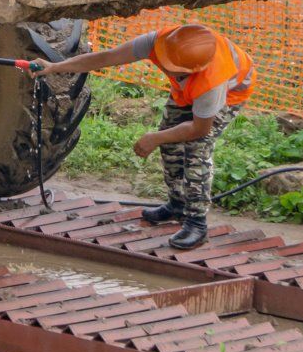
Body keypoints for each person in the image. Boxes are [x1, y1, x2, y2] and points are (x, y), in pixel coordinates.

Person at [26, 23, 255, 250]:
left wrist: (155, 138)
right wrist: (54, 66)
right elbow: (106, 57)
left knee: (196, 150)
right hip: (188, 88)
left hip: (231, 92)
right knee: (170, 138)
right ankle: (178, 205)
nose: (164, 68)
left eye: (171, 68)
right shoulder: (162, 41)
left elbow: (199, 129)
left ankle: (197, 223)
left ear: (188, 71)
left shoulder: (211, 83)